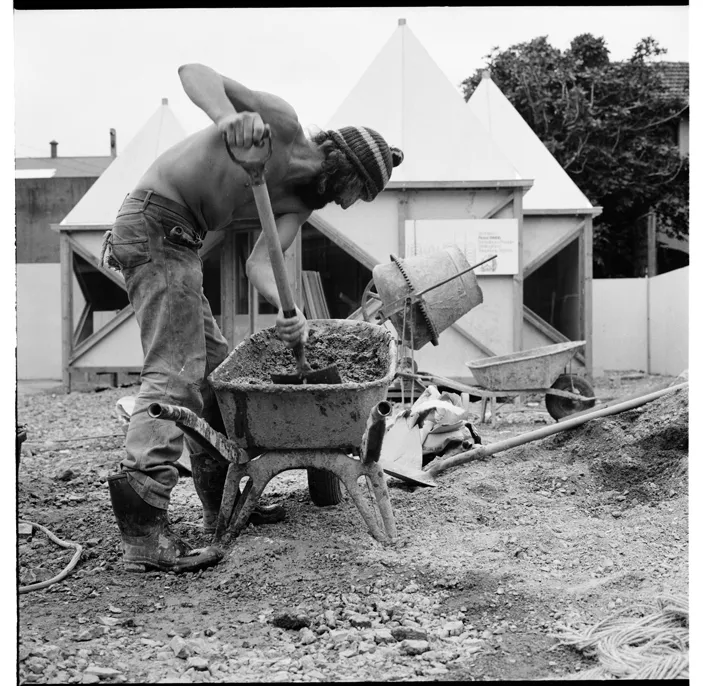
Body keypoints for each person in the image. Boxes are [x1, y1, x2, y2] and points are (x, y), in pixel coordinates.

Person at [100, 63, 404, 574]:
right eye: (359, 193)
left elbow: (261, 263)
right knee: (174, 374)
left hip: (184, 243)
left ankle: (222, 501)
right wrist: (227, 119)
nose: (350, 206)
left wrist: (291, 312)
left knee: (218, 375)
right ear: (347, 168)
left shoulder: (301, 202)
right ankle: (144, 533)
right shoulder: (281, 123)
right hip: (155, 223)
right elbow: (193, 71)